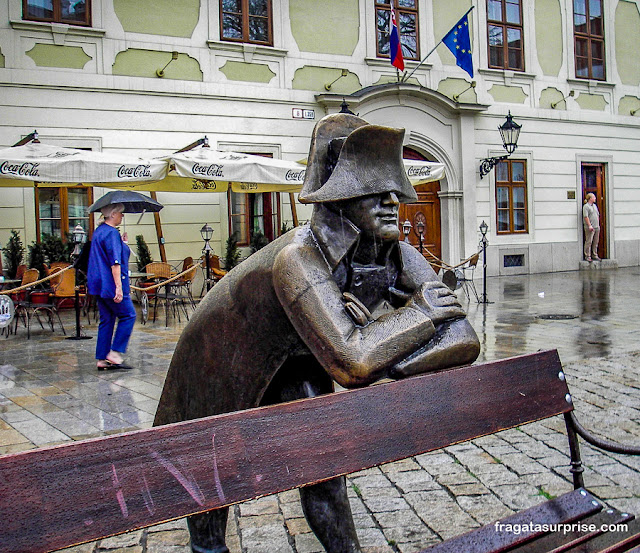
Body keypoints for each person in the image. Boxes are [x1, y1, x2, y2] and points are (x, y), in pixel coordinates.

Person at [154, 113, 480, 553]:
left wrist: (382, 340)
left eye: (393, 191)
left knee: (323, 466)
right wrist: (413, 318)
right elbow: (353, 363)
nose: (392, 201)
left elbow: (463, 339)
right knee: (207, 478)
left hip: (298, 355)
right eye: (372, 191)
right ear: (341, 200)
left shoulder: (398, 253)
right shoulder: (299, 259)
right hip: (222, 354)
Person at [87, 203, 136, 370]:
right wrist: (119, 288)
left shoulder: (99, 231)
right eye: (121, 214)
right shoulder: (112, 233)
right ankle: (115, 353)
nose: (122, 216)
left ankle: (101, 358)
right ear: (113, 214)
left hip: (98, 284)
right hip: (110, 284)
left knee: (107, 319)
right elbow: (115, 263)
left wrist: (122, 244)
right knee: (129, 315)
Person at [583, 192, 601, 262]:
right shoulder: (586, 206)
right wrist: (589, 225)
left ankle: (594, 254)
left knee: (596, 242)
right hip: (590, 227)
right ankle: (587, 255)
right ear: (590, 198)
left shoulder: (594, 206)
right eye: (594, 197)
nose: (595, 198)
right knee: (589, 241)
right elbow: (586, 216)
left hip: (596, 226)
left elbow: (597, 215)